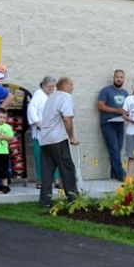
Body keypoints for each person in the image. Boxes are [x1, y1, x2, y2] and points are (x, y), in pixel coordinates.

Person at [38, 76, 81, 208]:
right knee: (67, 168)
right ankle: (74, 199)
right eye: (71, 85)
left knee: (47, 172)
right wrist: (72, 137)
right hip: (57, 139)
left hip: (44, 140)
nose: (73, 87)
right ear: (65, 85)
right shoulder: (65, 97)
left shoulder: (52, 97)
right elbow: (67, 119)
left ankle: (45, 201)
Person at [96, 69, 130, 181]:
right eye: (117, 77)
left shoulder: (125, 93)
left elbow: (128, 108)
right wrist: (116, 110)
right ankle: (121, 175)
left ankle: (113, 174)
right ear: (113, 78)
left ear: (124, 79)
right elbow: (100, 106)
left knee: (118, 149)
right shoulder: (106, 91)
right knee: (114, 149)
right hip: (108, 123)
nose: (119, 79)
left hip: (120, 123)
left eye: (121, 77)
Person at [27, 75, 59, 190]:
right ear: (44, 86)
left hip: (53, 132)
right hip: (40, 132)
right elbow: (31, 109)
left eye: (53, 86)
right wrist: (37, 123)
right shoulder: (38, 95)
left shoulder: (56, 95)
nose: (51, 88)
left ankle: (56, 180)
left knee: (55, 156)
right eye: (49, 86)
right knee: (39, 157)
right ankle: (40, 180)